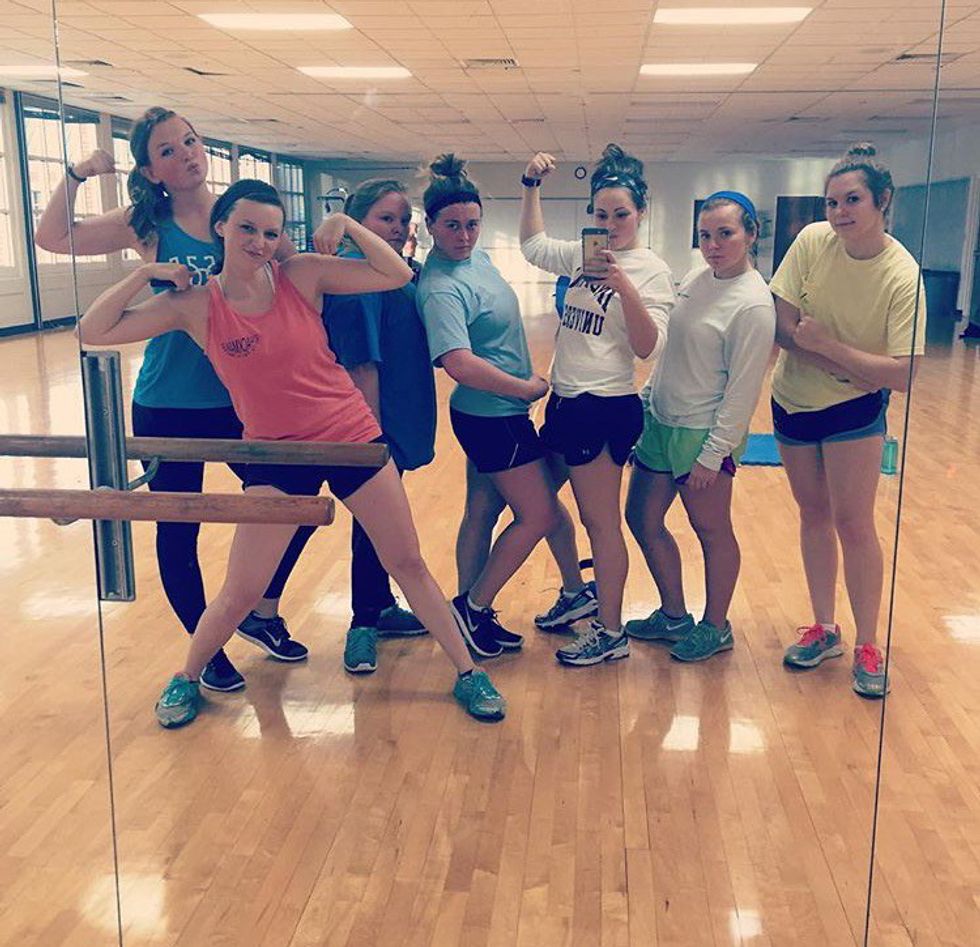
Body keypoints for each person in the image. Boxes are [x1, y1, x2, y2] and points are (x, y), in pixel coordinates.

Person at [78, 178, 507, 727]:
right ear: (221, 227)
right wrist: (143, 275)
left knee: (408, 564)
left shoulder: (300, 275)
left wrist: (346, 224)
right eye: (246, 228)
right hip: (278, 455)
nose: (258, 242)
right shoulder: (195, 304)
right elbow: (92, 331)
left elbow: (396, 273)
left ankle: (468, 672)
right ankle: (186, 676)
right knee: (241, 591)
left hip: (351, 438)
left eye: (270, 232)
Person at [35, 107, 321, 692]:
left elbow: (296, 274)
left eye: (190, 141)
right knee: (178, 530)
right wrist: (78, 173)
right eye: (167, 150)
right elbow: (52, 238)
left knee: (295, 505)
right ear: (150, 171)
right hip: (168, 400)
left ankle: (260, 613)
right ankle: (207, 651)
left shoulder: (240, 215)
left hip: (244, 401)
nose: (186, 154)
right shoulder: (146, 223)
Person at [417, 154, 591, 659]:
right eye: (452, 226)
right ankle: (473, 607)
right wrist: (524, 389)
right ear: (430, 226)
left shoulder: (477, 260)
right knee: (539, 513)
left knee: (483, 509)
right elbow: (459, 363)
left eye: (472, 224)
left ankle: (474, 615)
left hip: (494, 414)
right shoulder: (441, 288)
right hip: (493, 416)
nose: (464, 235)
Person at [769, 143, 926, 698]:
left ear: (883, 200)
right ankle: (824, 628)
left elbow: (903, 374)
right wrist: (846, 364)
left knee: (854, 523)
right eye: (832, 202)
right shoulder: (812, 241)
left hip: (854, 414)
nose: (839, 213)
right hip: (792, 402)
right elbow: (783, 328)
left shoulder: (902, 274)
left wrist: (829, 348)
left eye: (852, 200)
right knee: (813, 514)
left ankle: (868, 643)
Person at [519, 144, 675, 667]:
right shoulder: (582, 255)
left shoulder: (651, 271)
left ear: (642, 212)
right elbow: (533, 246)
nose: (610, 226)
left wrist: (624, 286)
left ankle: (610, 631)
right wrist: (530, 186)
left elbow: (647, 347)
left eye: (621, 215)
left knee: (600, 523)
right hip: (564, 402)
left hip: (605, 406)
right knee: (539, 502)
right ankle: (575, 591)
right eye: (601, 215)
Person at [624, 192, 775, 661]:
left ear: (751, 234)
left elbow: (743, 391)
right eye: (705, 235)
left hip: (701, 433)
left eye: (725, 234)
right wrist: (646, 400)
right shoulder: (695, 278)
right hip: (660, 421)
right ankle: (673, 615)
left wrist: (714, 454)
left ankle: (715, 626)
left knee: (711, 531)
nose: (713, 245)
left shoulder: (754, 305)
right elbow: (671, 349)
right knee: (641, 518)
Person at [320, 179, 437, 674]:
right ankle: (363, 622)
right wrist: (374, 443)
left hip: (397, 413)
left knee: (377, 522)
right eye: (385, 219)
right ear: (356, 220)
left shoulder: (392, 272)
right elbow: (360, 366)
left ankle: (381, 606)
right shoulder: (356, 278)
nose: (397, 228)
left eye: (403, 220)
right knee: (374, 524)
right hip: (373, 426)